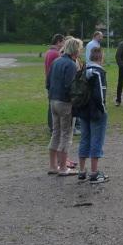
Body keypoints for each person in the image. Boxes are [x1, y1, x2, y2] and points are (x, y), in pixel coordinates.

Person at [48, 37, 82, 177]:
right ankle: (63, 167)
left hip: (53, 101)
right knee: (66, 135)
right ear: (75, 50)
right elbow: (71, 87)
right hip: (65, 103)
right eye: (80, 48)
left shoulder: (56, 61)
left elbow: (48, 82)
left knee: (56, 133)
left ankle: (52, 166)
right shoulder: (70, 64)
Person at [76, 46, 109, 183]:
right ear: (101, 57)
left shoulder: (83, 70)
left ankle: (82, 171)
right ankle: (95, 173)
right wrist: (103, 109)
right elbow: (100, 93)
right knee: (97, 140)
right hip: (95, 111)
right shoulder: (98, 72)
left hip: (83, 109)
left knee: (85, 138)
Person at [44, 33, 64, 132]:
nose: (64, 44)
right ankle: (54, 126)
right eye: (63, 42)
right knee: (55, 105)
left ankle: (51, 125)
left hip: (49, 81)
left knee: (51, 104)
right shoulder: (56, 53)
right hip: (54, 82)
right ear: (58, 42)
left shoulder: (48, 52)